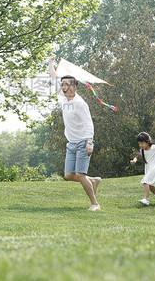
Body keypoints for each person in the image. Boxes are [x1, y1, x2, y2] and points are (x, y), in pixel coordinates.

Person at [48, 55, 101, 211]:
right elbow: (53, 78)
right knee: (69, 175)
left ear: (74, 86)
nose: (63, 87)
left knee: (79, 174)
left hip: (83, 143)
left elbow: (88, 123)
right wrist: (50, 63)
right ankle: (94, 181)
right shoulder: (64, 98)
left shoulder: (80, 103)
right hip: (71, 143)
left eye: (66, 85)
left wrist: (89, 142)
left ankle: (94, 203)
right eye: (62, 85)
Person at [130, 132, 155, 206]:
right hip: (148, 168)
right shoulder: (142, 150)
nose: (140, 145)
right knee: (152, 189)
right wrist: (134, 161)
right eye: (139, 143)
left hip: (154, 168)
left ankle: (146, 200)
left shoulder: (154, 147)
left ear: (147, 141)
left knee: (145, 181)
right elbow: (137, 156)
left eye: (142, 143)